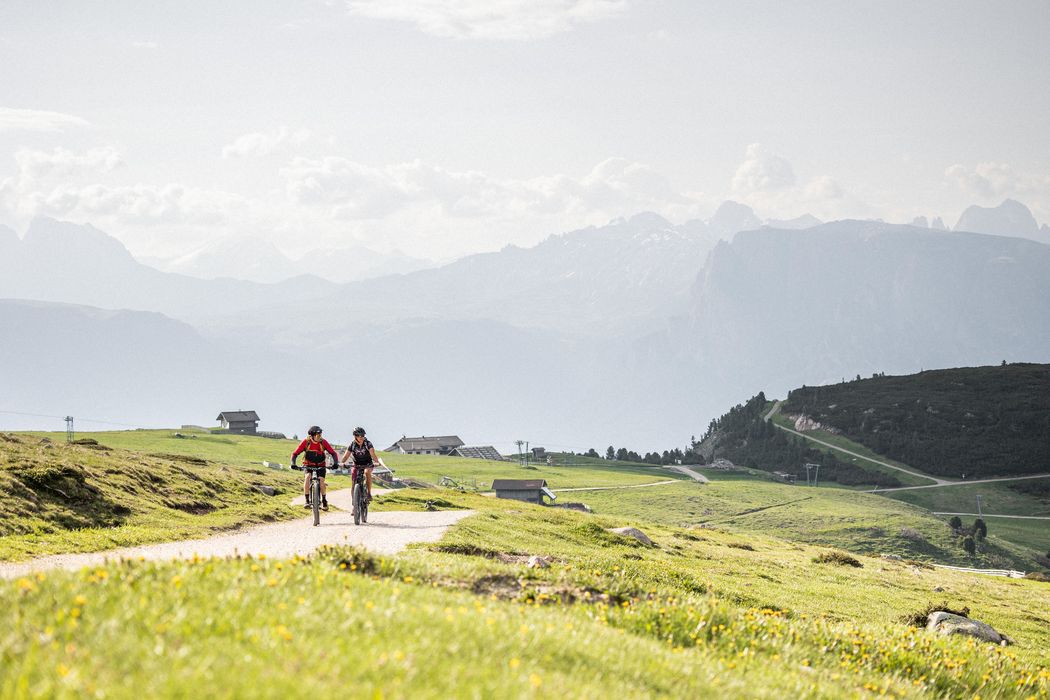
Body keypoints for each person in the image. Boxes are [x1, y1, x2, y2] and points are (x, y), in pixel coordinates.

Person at [291, 426, 339, 511]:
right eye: (318, 435)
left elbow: (333, 453)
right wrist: (293, 463)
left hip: (321, 465)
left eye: (320, 434)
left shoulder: (323, 442)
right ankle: (307, 500)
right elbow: (295, 454)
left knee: (321, 481)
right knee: (307, 477)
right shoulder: (306, 442)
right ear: (312, 435)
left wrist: (335, 463)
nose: (320, 436)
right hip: (308, 464)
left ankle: (324, 501)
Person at [340, 426, 379, 505]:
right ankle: (354, 506)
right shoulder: (352, 444)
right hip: (357, 464)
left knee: (367, 472)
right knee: (353, 484)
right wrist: (342, 462)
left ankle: (368, 493)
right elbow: (346, 455)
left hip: (368, 463)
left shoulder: (368, 443)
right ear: (355, 436)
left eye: (363, 435)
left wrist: (377, 462)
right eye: (359, 435)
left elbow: (373, 454)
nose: (361, 437)